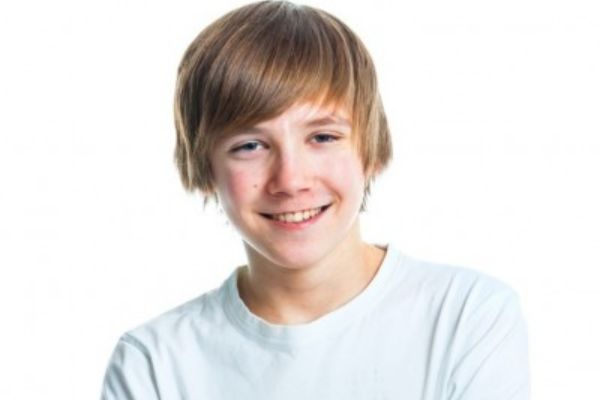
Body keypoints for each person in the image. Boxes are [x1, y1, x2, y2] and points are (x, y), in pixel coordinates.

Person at [100, 1, 530, 399]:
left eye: (323, 137)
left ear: (370, 150)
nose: (291, 179)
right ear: (206, 169)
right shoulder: (153, 363)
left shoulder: (468, 316)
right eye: (249, 146)